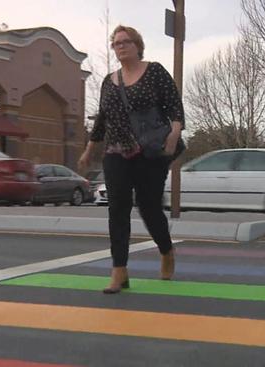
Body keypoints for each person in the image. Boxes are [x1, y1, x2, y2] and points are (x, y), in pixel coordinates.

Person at [78, 25, 184, 294]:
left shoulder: (155, 71)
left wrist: (174, 134)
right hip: (115, 154)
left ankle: (166, 250)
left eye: (125, 42)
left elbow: (174, 106)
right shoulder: (108, 81)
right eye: (116, 43)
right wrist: (90, 148)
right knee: (118, 210)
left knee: (149, 207)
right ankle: (119, 271)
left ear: (138, 45)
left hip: (150, 153)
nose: (120, 46)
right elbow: (102, 119)